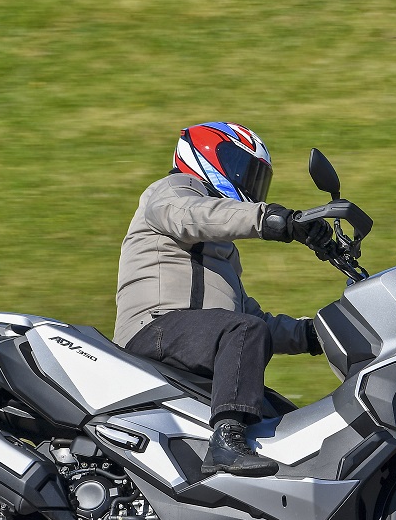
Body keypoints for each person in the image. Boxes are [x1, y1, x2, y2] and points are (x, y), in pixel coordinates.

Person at [114, 122, 334, 478]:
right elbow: (192, 217)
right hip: (154, 330)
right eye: (245, 170)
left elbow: (255, 319)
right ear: (206, 155)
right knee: (243, 330)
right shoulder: (172, 191)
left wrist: (318, 333)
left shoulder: (221, 250)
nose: (251, 186)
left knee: (283, 416)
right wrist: (276, 219)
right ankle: (226, 440)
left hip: (198, 338)